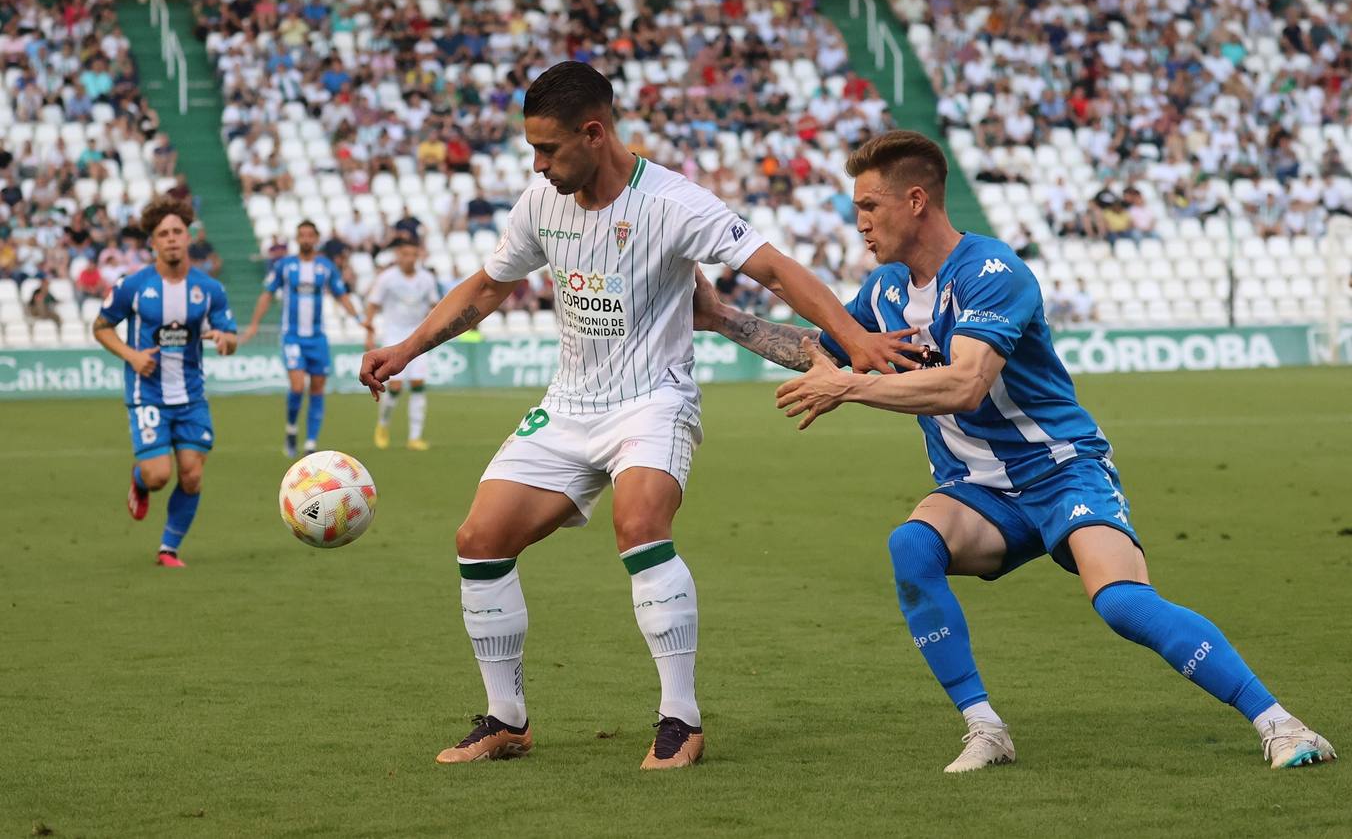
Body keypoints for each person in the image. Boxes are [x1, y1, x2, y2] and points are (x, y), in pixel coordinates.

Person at [694, 130, 1336, 773]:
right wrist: (722, 318)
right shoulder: (886, 289)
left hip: (1061, 470)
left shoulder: (992, 273)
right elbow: (822, 350)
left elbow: (966, 383)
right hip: (978, 492)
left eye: (869, 206)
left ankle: (1282, 725)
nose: (858, 223)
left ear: (915, 201)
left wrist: (854, 387)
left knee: (1120, 601)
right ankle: (985, 729)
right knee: (911, 546)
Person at [359, 61, 907, 771]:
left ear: (595, 133)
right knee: (478, 539)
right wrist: (406, 347)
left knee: (640, 522)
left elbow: (771, 268)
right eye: (532, 150)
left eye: (548, 149)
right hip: (568, 405)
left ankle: (681, 720)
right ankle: (507, 719)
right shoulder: (540, 203)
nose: (539, 164)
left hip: (654, 399)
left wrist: (852, 335)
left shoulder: (674, 203)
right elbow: (488, 287)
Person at [92, 196, 238, 567]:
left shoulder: (210, 289)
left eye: (177, 231)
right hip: (149, 395)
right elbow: (101, 327)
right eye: (163, 234)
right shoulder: (133, 286)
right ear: (152, 242)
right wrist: (132, 355)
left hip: (191, 396)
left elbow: (230, 334)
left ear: (188, 237)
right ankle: (140, 481)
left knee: (191, 476)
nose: (172, 238)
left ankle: (168, 549)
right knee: (159, 476)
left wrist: (225, 340)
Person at [239, 220, 366, 457]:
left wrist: (359, 318)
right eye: (302, 235)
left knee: (317, 389)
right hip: (292, 337)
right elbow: (267, 295)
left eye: (310, 235)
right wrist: (255, 324)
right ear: (297, 239)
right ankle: (291, 428)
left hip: (317, 339)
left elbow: (341, 295)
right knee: (298, 386)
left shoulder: (326, 267)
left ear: (316, 238)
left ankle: (310, 443)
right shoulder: (285, 266)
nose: (306, 239)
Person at [365, 239, 441, 450]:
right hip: (393, 335)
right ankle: (383, 424)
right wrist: (369, 331)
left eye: (413, 254)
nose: (410, 259)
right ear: (398, 255)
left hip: (417, 336)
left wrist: (433, 326)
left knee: (418, 384)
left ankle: (415, 437)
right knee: (395, 386)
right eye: (405, 254)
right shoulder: (387, 278)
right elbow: (373, 304)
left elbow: (435, 306)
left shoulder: (426, 279)